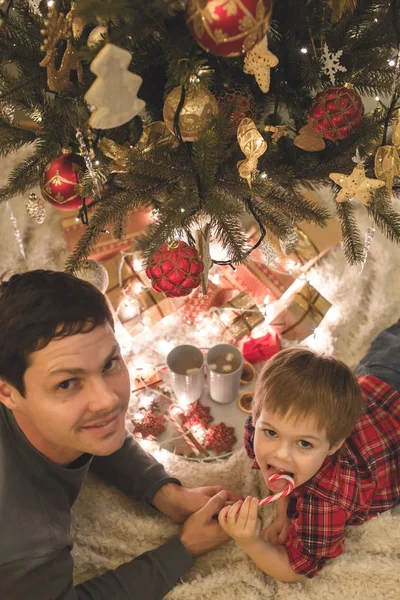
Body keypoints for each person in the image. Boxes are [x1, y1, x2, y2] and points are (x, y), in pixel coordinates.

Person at [0, 269, 241, 600]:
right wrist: (184, 548)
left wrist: (163, 492)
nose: (107, 400)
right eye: (67, 383)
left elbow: (102, 431)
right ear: (8, 392)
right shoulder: (25, 539)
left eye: (109, 364)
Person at [218, 339, 400, 581]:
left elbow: (297, 570)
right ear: (256, 415)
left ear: (334, 446)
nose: (281, 454)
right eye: (271, 432)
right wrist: (284, 513)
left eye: (304, 443)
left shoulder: (327, 501)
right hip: (381, 376)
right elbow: (284, 480)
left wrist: (249, 540)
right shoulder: (256, 429)